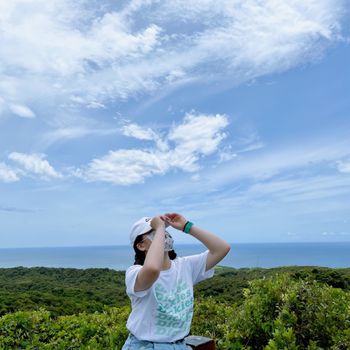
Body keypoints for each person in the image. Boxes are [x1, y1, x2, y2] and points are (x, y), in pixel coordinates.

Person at [121, 212, 231, 350]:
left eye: (164, 231)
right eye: (154, 232)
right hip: (145, 345)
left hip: (180, 345)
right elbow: (153, 269)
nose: (163, 235)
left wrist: (187, 226)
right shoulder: (134, 273)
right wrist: (160, 227)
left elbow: (222, 248)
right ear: (141, 246)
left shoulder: (185, 266)